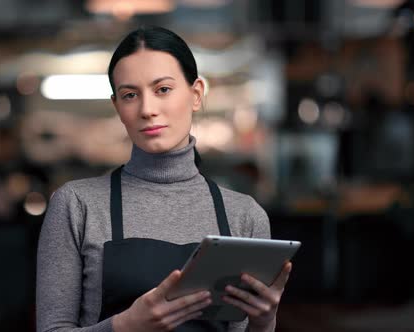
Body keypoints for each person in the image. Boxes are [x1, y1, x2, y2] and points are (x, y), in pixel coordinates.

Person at [36, 25, 292, 332]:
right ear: (117, 107)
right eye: (130, 95)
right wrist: (125, 326)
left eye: (163, 90)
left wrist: (264, 322)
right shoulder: (77, 205)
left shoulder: (245, 215)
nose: (147, 109)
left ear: (196, 94)